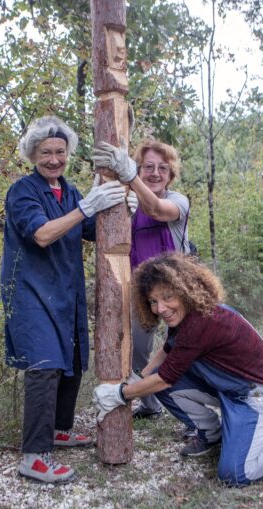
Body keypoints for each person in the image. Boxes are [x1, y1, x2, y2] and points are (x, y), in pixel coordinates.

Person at [92, 253, 263, 486]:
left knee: (236, 474)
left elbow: (165, 378)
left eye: (167, 297)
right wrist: (140, 376)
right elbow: (166, 351)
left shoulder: (204, 320)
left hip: (260, 394)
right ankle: (211, 433)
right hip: (230, 389)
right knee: (156, 382)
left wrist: (120, 394)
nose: (160, 308)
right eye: (153, 301)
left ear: (185, 289)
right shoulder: (184, 316)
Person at [1, 116, 130, 484]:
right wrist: (88, 207)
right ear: (33, 155)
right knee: (44, 365)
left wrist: (121, 202)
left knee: (72, 359)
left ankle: (58, 430)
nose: (54, 159)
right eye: (46, 153)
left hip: (64, 291)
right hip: (29, 292)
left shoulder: (69, 191)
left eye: (60, 152)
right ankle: (34, 456)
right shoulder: (23, 191)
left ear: (68, 153)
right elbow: (42, 234)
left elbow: (91, 228)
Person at [92, 138, 192, 420]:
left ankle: (192, 418)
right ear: (139, 168)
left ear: (171, 175)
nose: (155, 173)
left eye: (163, 168)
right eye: (148, 167)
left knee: (184, 350)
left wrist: (130, 176)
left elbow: (158, 210)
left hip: (178, 292)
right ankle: (150, 406)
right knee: (137, 352)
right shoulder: (129, 202)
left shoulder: (178, 202)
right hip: (141, 291)